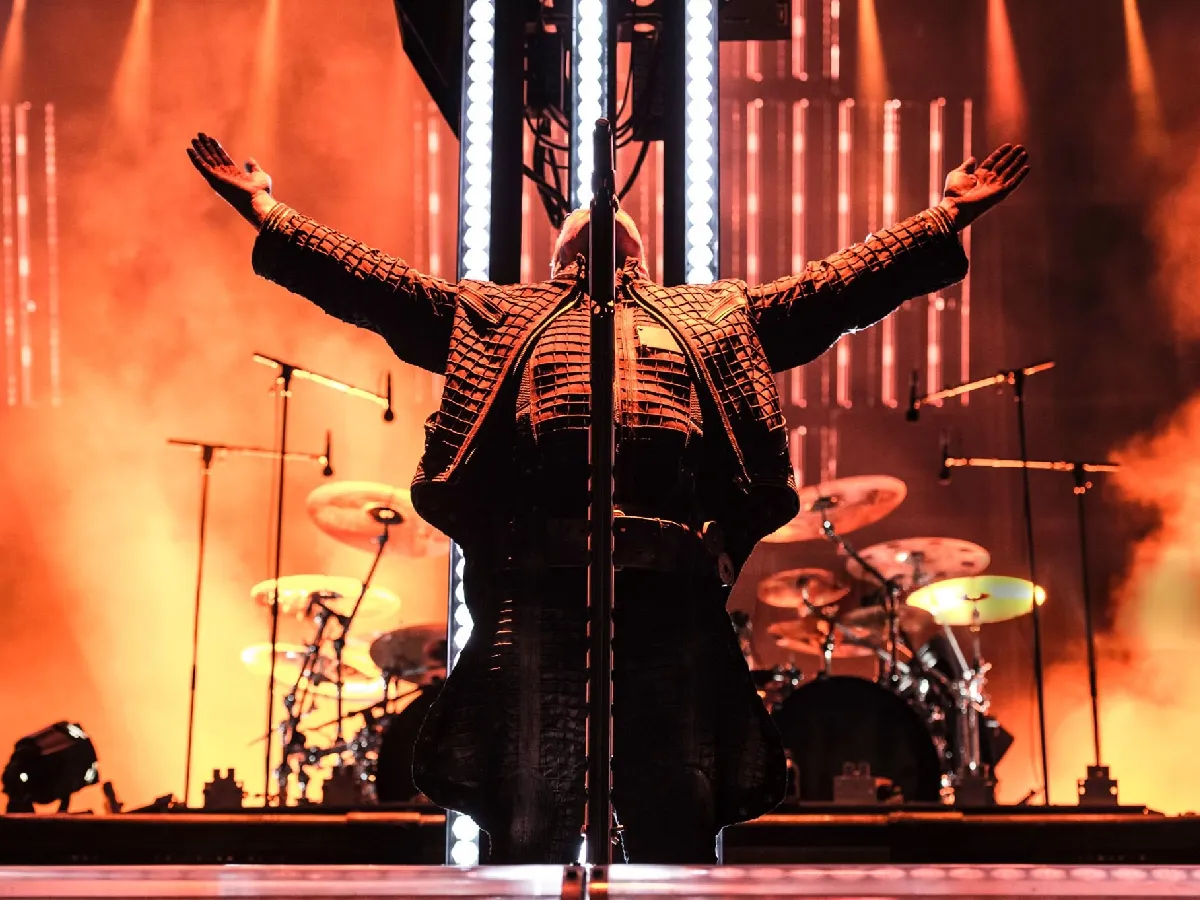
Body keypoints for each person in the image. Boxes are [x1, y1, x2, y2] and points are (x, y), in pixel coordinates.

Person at [187, 132, 1029, 863]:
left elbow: (836, 285)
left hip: (671, 589)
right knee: (530, 808)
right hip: (540, 586)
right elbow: (377, 284)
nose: (602, 226)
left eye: (616, 228)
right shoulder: (497, 315)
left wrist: (943, 217)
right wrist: (270, 213)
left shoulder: (713, 316)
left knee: (676, 806)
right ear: (558, 259)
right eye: (584, 230)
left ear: (642, 255)